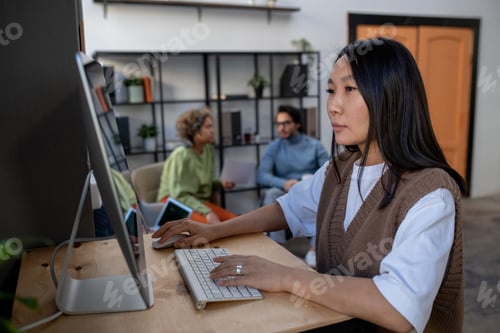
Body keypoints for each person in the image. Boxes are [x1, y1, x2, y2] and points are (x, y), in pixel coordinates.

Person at [152, 38, 466, 332]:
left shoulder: (430, 194)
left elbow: (398, 309)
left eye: (350, 89)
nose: (333, 105)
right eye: (331, 90)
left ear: (390, 97)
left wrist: (284, 276)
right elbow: (286, 208)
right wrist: (214, 231)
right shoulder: (341, 167)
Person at [257, 104, 329, 266]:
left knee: (326, 197)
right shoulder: (274, 147)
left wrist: (309, 182)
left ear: (297, 124)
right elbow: (261, 175)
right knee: (271, 194)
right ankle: (278, 248)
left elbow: (329, 172)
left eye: (286, 123)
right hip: (285, 191)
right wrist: (284, 183)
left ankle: (315, 250)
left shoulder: (314, 146)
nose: (281, 128)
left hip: (309, 189)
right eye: (278, 124)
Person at [156, 107, 236, 224]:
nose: (213, 130)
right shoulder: (181, 155)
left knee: (234, 222)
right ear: (194, 130)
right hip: (175, 203)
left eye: (212, 126)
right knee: (213, 227)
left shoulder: (208, 149)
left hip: (197, 202)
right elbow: (179, 195)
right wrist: (207, 212)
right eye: (208, 127)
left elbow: (202, 180)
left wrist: (220, 183)